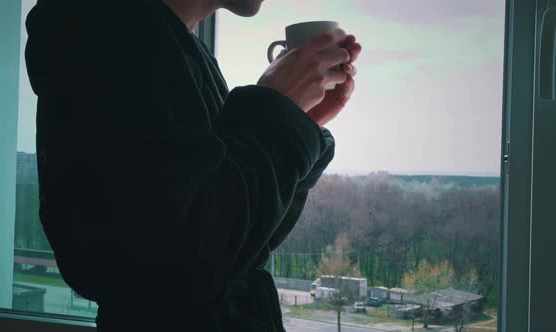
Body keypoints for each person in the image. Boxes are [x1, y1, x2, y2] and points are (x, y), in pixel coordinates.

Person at [24, 0, 361, 330]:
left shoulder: (171, 48)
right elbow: (187, 257)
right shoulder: (117, 40)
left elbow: (240, 244)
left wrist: (299, 125)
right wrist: (277, 116)